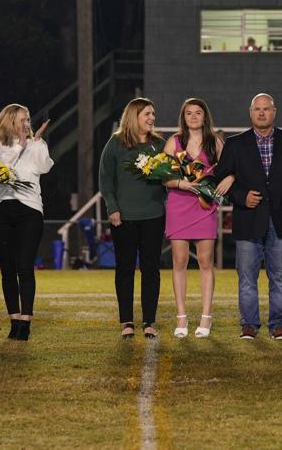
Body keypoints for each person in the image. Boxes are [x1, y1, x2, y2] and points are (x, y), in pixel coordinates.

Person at [215, 93, 282, 340]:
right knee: (247, 277)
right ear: (250, 113)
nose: (261, 113)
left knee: (278, 276)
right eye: (257, 109)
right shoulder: (235, 144)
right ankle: (249, 324)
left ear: (274, 112)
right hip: (248, 220)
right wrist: (241, 196)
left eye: (265, 109)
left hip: (280, 221)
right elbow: (220, 183)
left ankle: (278, 324)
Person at [162, 98, 234, 338]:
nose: (193, 117)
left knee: (205, 261)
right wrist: (183, 183)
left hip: (204, 206)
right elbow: (162, 177)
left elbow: (232, 168)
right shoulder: (174, 141)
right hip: (179, 204)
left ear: (205, 116)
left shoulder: (216, 142)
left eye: (198, 113)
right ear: (183, 117)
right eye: (189, 113)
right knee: (179, 261)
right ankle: (181, 318)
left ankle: (206, 317)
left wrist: (229, 179)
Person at [99, 97, 166, 339]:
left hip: (154, 216)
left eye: (153, 113)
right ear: (133, 116)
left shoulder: (160, 144)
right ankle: (127, 321)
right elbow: (105, 180)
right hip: (123, 217)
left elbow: (169, 176)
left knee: (151, 269)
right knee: (125, 269)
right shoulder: (115, 143)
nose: (152, 118)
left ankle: (149, 321)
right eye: (147, 114)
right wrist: (113, 208)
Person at [0, 104, 53, 341]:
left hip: (30, 209)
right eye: (22, 120)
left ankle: (25, 322)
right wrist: (23, 144)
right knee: (7, 268)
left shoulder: (37, 143)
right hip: (1, 208)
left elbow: (44, 167)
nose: (27, 123)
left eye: (28, 119)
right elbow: (1, 170)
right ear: (10, 122)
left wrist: (36, 143)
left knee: (25, 266)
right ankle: (13, 319)